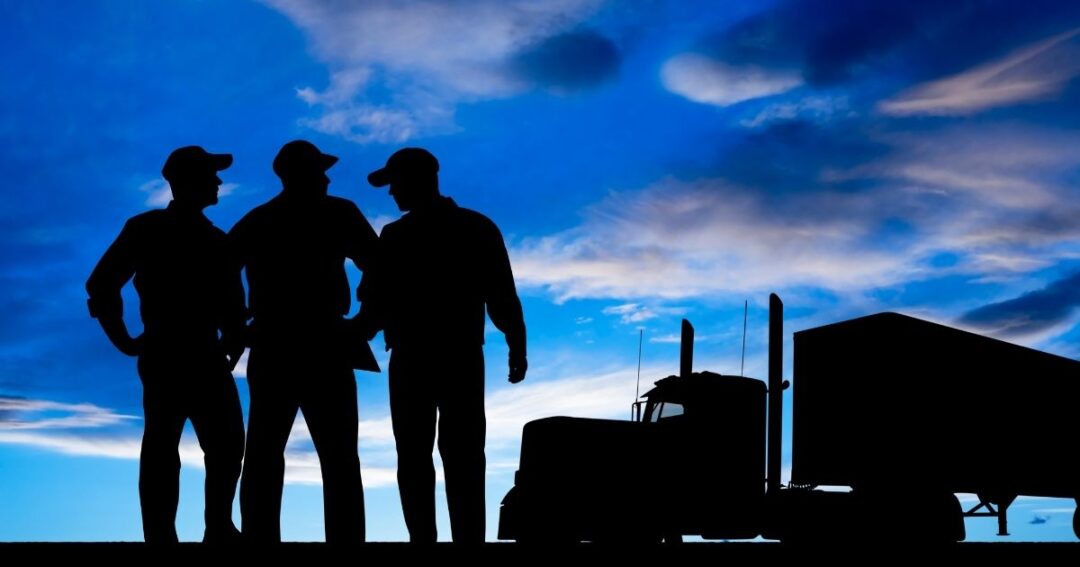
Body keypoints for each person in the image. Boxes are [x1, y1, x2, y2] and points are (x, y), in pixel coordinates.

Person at [359, 147, 527, 543]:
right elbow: (502, 295)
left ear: (418, 180)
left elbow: (375, 302)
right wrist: (515, 344)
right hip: (451, 356)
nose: (391, 194)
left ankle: (435, 542)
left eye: (395, 184)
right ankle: (453, 542)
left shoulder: (401, 235)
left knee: (437, 454)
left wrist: (516, 343)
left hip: (432, 356)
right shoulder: (473, 227)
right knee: (450, 453)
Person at [86, 146, 246, 544]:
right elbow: (102, 284)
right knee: (164, 444)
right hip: (169, 350)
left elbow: (230, 299)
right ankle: (162, 534)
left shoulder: (216, 239)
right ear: (188, 180)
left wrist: (233, 335)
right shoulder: (146, 228)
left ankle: (217, 527)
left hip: (203, 353)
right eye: (211, 175)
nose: (219, 182)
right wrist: (122, 338)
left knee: (225, 443)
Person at [230, 140, 377, 543]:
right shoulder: (337, 213)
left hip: (287, 341)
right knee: (330, 454)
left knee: (269, 451)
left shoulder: (262, 219)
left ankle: (263, 539)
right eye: (319, 170)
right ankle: (341, 543)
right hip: (311, 342)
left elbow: (220, 271)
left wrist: (237, 326)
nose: (327, 177)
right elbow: (381, 267)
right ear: (302, 174)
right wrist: (365, 322)